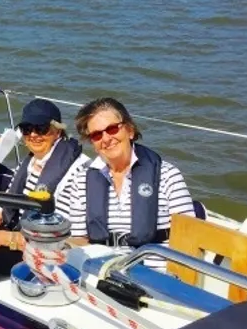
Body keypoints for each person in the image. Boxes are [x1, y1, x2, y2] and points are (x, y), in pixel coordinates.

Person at [54, 97, 195, 269]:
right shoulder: (81, 180)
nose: (106, 138)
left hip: (157, 275)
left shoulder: (167, 175)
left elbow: (189, 239)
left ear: (130, 130)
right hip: (103, 273)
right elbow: (80, 239)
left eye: (112, 129)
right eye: (97, 135)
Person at [0, 99, 83, 286]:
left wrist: (3, 239)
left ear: (57, 131)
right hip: (20, 239)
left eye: (41, 128)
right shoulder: (27, 164)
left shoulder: (75, 172)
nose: (33, 135)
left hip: (46, 257)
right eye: (27, 129)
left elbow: (66, 241)